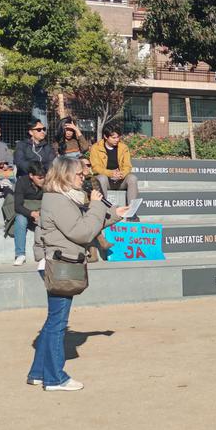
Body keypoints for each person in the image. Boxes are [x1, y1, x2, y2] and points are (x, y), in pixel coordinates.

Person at [27, 158, 128, 391]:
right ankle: (54, 378)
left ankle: (38, 373)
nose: (83, 177)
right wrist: (96, 206)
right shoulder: (59, 200)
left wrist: (114, 214)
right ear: (65, 175)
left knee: (54, 321)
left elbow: (84, 222)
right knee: (58, 323)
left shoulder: (62, 197)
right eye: (79, 174)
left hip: (59, 262)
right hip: (60, 264)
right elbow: (82, 232)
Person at [90, 126, 140, 220]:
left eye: (118, 137)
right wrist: (110, 173)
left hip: (120, 180)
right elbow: (96, 168)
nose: (117, 140)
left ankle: (131, 213)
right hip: (106, 180)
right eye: (114, 137)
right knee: (101, 178)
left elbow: (127, 166)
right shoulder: (95, 148)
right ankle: (104, 210)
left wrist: (122, 174)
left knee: (132, 178)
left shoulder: (123, 147)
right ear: (105, 136)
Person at [11, 162, 46, 266]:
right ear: (31, 175)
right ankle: (20, 254)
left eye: (44, 177)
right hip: (25, 211)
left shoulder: (48, 183)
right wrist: (31, 213)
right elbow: (17, 206)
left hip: (41, 210)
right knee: (20, 220)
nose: (42, 180)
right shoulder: (22, 182)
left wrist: (40, 213)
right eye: (39, 178)